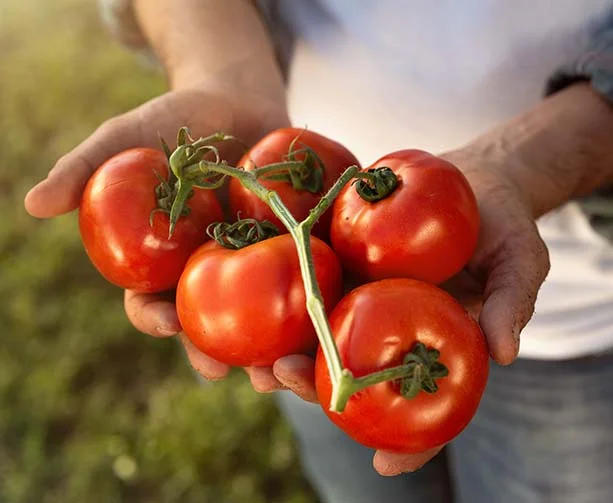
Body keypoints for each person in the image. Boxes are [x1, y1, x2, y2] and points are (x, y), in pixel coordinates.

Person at [25, 1, 613, 501]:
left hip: (578, 313)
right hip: (319, 336)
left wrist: (532, 160)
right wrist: (221, 71)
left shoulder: (300, 242)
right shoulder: (303, 249)